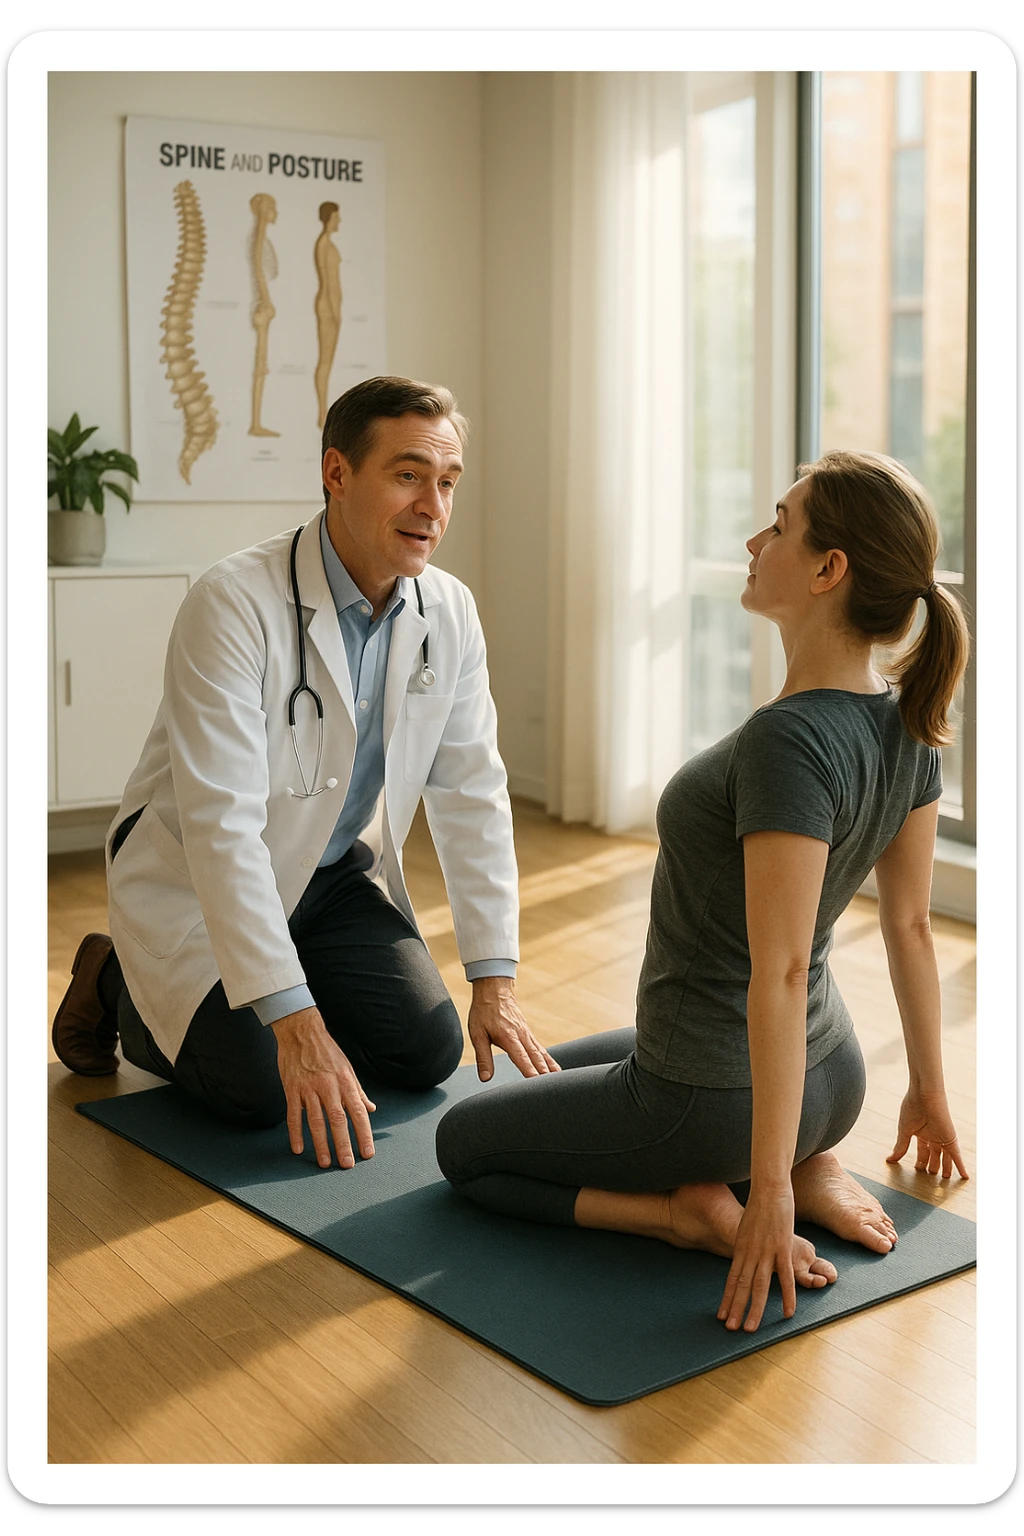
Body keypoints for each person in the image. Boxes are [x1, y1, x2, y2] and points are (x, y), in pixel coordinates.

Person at [435, 449, 971, 1334]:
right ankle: (807, 1165)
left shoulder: (789, 741)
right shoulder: (904, 716)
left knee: (466, 1144)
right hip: (828, 1079)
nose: (756, 538)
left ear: (830, 570)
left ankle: (689, 1213)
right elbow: (910, 926)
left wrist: (758, 1198)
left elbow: (784, 968)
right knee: (552, 1068)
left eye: (782, 524)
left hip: (718, 1100)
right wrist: (926, 1093)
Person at [52, 376, 558, 1170]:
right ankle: (117, 974)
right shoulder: (233, 603)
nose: (434, 506)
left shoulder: (447, 610)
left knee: (426, 1052)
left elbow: (471, 791)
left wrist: (494, 977)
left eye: (448, 482)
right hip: (195, 883)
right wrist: (296, 1027)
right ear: (336, 475)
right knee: (260, 1089)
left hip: (327, 877)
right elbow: (223, 827)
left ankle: (288, 985)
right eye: (408, 474)